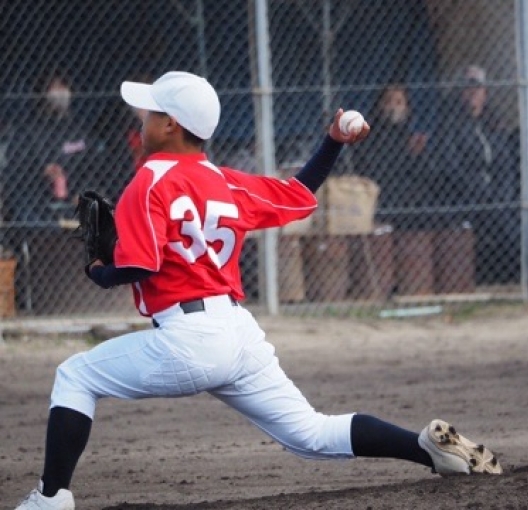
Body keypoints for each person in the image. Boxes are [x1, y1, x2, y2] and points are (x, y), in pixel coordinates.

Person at [14, 71, 501, 509]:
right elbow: (300, 193)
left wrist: (98, 269)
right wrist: (332, 142)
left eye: (151, 112)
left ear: (171, 125)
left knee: (75, 376)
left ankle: (51, 499)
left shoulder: (148, 181)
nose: (143, 119)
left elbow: (141, 265)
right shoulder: (224, 181)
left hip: (188, 338)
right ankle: (425, 448)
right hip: (237, 332)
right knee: (311, 433)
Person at [433, 65, 520, 284]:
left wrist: (503, 194)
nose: (473, 93)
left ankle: (519, 270)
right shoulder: (450, 124)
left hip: (496, 196)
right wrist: (483, 192)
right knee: (501, 218)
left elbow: (505, 164)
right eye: (468, 88)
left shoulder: (493, 124)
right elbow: (451, 167)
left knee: (511, 212)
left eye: (478, 88)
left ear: (485, 93)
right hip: (466, 196)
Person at [4, 70, 90, 223]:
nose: (61, 92)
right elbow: (15, 172)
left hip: (75, 196)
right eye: (55, 87)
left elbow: (93, 166)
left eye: (64, 86)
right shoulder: (28, 130)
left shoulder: (79, 129)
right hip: (38, 199)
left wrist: (82, 192)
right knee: (25, 205)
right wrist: (42, 170)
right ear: (44, 93)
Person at [353, 84, 427, 230]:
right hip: (379, 192)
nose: (393, 107)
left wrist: (417, 154)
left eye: (398, 102)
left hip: (407, 195)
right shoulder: (368, 136)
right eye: (388, 102)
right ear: (380, 106)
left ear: (406, 108)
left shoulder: (409, 136)